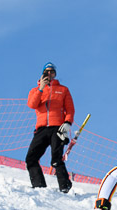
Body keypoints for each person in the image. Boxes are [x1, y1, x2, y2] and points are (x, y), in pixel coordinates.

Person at [25, 62, 74, 193]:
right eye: (46, 72)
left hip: (57, 127)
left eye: (52, 72)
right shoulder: (35, 90)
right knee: (31, 158)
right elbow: (32, 104)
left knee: (56, 158)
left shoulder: (63, 89)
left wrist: (67, 123)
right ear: (42, 74)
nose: (49, 74)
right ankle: (39, 186)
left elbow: (70, 109)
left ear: (55, 74)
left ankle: (65, 186)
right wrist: (41, 88)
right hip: (41, 128)